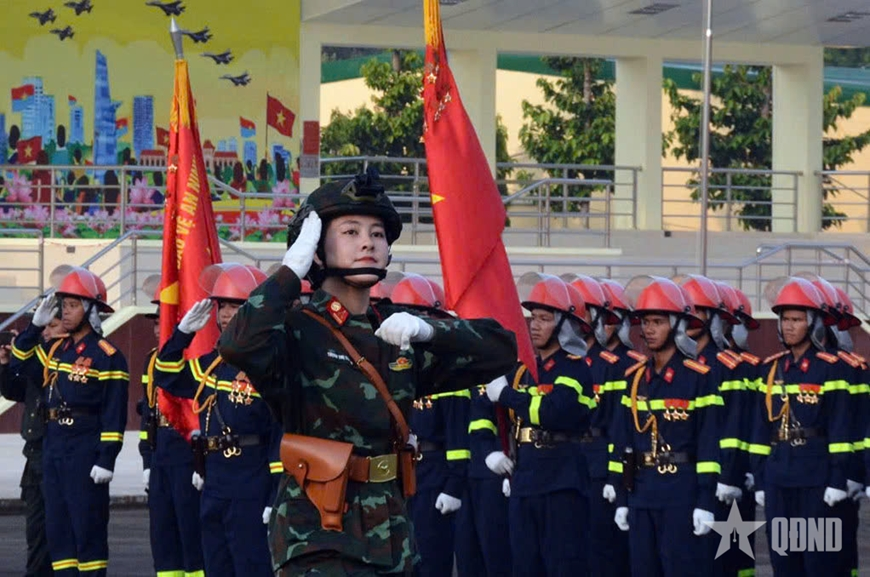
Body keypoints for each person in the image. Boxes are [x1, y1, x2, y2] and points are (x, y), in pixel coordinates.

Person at [217, 169, 517, 575]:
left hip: (392, 531)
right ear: (318, 250)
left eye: (377, 234)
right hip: (318, 534)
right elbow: (237, 343)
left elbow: (500, 350)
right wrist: (290, 271)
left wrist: (430, 329)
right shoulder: (296, 329)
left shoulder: (396, 329)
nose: (367, 243)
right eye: (351, 231)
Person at [154, 263, 281, 577]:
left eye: (235, 306)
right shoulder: (213, 363)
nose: (225, 314)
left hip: (251, 483)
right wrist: (182, 335)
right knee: (216, 565)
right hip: (215, 482)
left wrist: (275, 494)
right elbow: (166, 376)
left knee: (251, 566)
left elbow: (281, 432)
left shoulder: (271, 363)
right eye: (221, 306)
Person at [10, 267, 129, 577]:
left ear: (91, 309)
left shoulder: (108, 356)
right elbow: (19, 365)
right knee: (57, 529)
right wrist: (33, 328)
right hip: (53, 448)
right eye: (64, 304)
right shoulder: (55, 351)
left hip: (85, 451)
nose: (65, 311)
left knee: (86, 529)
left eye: (74, 304)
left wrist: (107, 458)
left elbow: (114, 412)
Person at [608, 276, 719, 577]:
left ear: (677, 324)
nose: (649, 329)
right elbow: (621, 441)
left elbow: (709, 444)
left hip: (681, 493)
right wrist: (621, 498)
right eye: (645, 322)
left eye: (657, 321)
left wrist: (705, 500)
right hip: (642, 491)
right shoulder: (633, 378)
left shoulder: (698, 377)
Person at [486, 273, 595, 577]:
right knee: (524, 565)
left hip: (561, 482)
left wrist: (507, 395)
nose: (533, 324)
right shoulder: (523, 370)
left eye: (544, 318)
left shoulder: (574, 369)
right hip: (526, 478)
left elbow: (553, 411)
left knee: (562, 565)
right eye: (532, 317)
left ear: (565, 325)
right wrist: (497, 452)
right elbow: (493, 414)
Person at [750, 277, 852, 576]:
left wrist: (838, 478)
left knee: (818, 561)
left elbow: (840, 428)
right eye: (784, 319)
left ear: (814, 324)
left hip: (816, 479)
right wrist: (759, 477)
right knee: (786, 561)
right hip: (779, 477)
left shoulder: (830, 368)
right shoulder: (771, 367)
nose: (789, 326)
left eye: (797, 319)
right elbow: (760, 430)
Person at [390, 273, 471, 577]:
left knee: (431, 560)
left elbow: (458, 436)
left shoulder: (447, 370)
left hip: (434, 477)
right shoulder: (393, 366)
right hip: (398, 476)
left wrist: (453, 486)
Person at [139, 283, 204, 577]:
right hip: (161, 449)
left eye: (162, 320)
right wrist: (146, 461)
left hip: (186, 449)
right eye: (155, 321)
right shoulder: (153, 359)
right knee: (163, 536)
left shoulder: (197, 358)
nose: (157, 327)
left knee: (191, 535)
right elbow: (147, 411)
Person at [0, 312, 65, 577]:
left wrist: (24, 350)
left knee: (56, 527)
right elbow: (15, 390)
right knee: (36, 527)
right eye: (44, 326)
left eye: (53, 325)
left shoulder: (67, 359)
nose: (47, 331)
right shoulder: (38, 357)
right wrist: (5, 365)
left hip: (57, 450)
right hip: (35, 451)